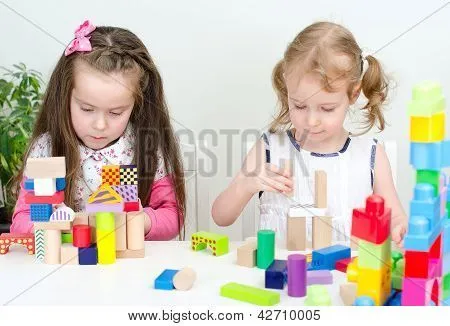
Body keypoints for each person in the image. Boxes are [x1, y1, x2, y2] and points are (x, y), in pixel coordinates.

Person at [212, 21, 407, 247]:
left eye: (327, 109)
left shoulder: (370, 155)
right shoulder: (269, 148)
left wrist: (400, 228)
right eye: (300, 106)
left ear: (353, 95)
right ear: (287, 90)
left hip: (347, 279)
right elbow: (221, 217)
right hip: (278, 279)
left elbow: (396, 217)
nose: (311, 121)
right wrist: (245, 184)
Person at [11, 20, 185, 240]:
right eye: (86, 109)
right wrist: (60, 226)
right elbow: (21, 221)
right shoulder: (47, 148)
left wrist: (140, 221)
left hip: (125, 264)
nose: (100, 125)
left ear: (136, 104)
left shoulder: (145, 146)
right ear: (65, 97)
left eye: (116, 112)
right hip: (69, 265)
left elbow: (172, 214)